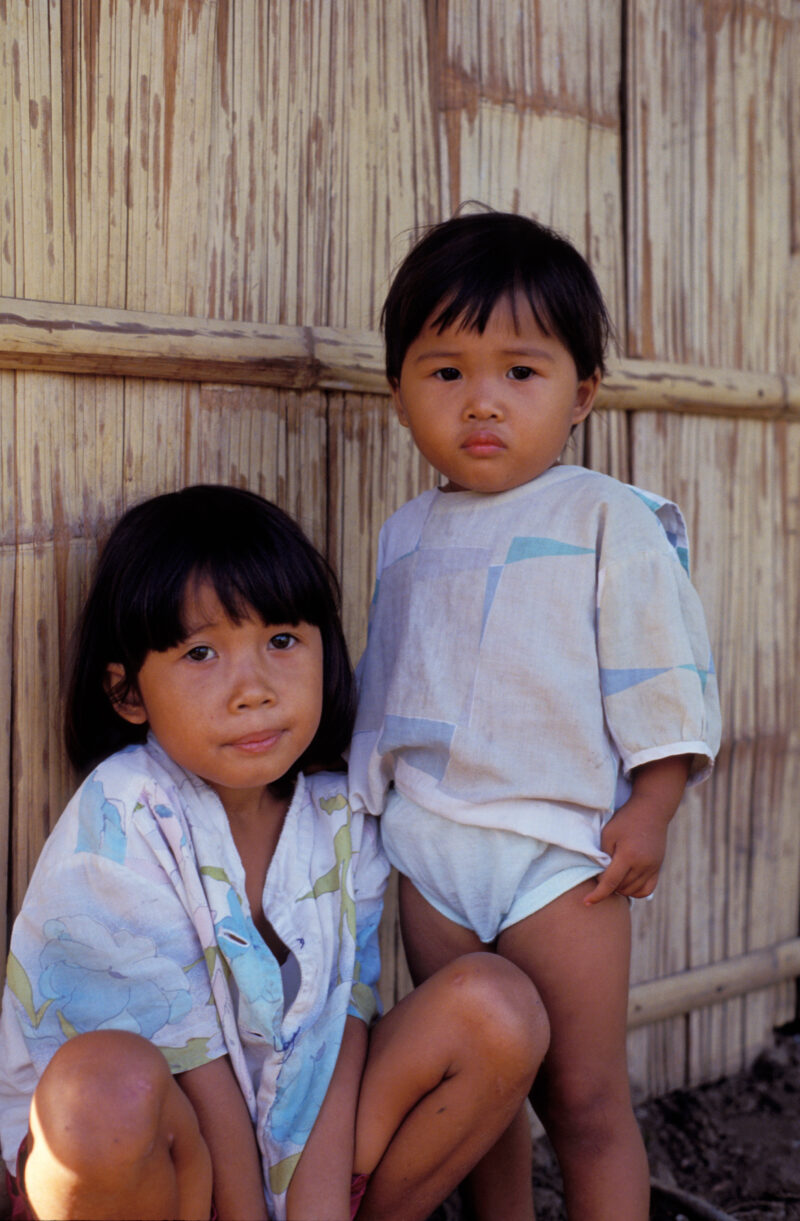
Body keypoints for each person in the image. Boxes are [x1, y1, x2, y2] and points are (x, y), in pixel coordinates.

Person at [0, 484, 549, 1221]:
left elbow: (343, 1020)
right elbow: (196, 1068)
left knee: (498, 1006)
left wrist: (317, 1204)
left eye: (282, 641)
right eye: (201, 652)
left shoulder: (339, 807)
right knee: (106, 1088)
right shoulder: (121, 816)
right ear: (129, 692)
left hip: (294, 1124)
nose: (253, 689)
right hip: (164, 1168)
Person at [348, 209, 722, 1220]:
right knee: (483, 1094)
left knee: (583, 1095)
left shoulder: (606, 518)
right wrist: (365, 812)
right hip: (434, 847)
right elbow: (386, 689)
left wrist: (650, 804)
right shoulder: (405, 534)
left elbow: (661, 674)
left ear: (580, 394)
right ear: (397, 394)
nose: (481, 401)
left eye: (519, 372)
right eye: (444, 372)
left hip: (558, 856)